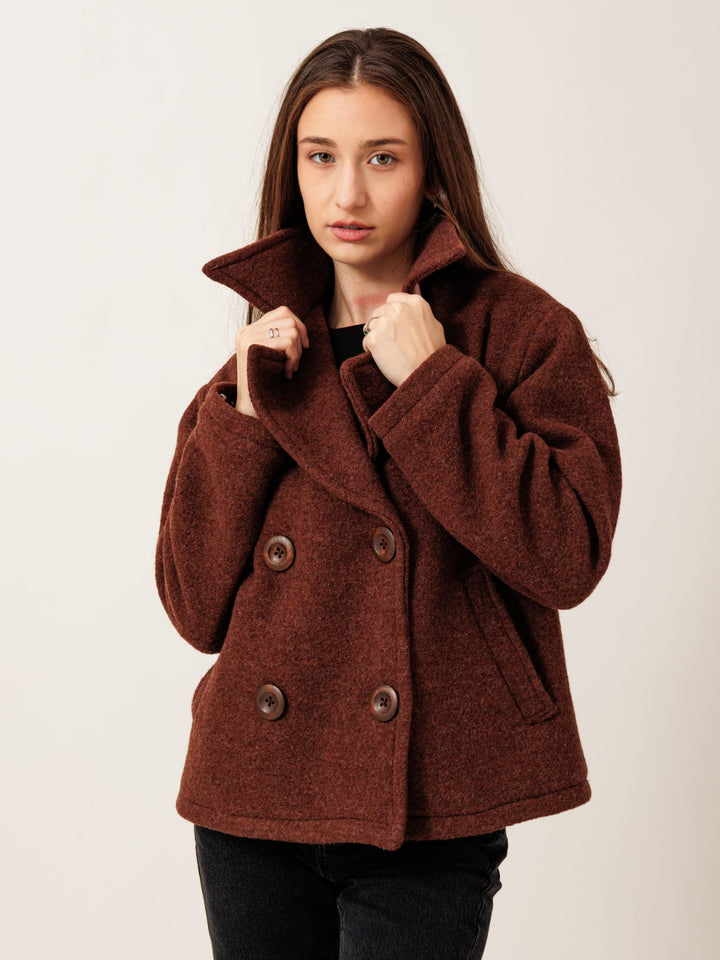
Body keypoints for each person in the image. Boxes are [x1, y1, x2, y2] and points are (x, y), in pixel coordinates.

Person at [155, 27, 621, 960]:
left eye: (382, 158)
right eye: (321, 157)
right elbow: (192, 606)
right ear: (293, 170)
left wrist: (436, 386)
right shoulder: (263, 352)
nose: (347, 196)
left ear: (432, 169)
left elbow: (567, 556)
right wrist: (241, 413)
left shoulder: (523, 333)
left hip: (429, 803)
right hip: (254, 797)